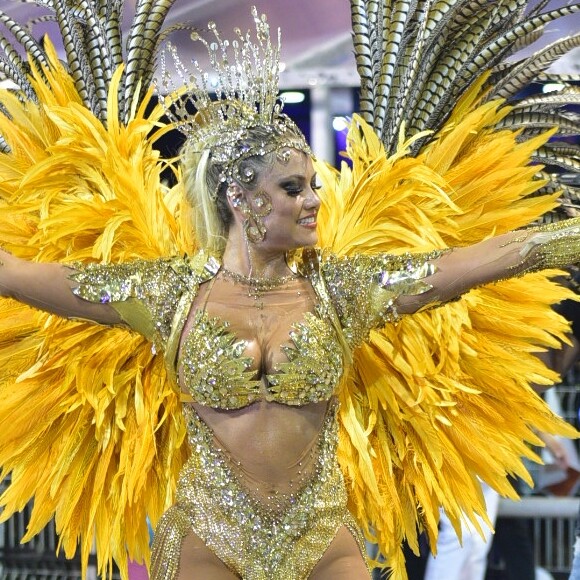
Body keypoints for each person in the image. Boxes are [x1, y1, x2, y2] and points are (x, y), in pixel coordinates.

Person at [0, 3, 579, 580]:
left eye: (314, 185)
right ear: (241, 198)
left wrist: (565, 239)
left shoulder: (342, 290)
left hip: (322, 537)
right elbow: (24, 275)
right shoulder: (171, 295)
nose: (312, 200)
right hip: (210, 539)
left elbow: (469, 263)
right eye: (292, 187)